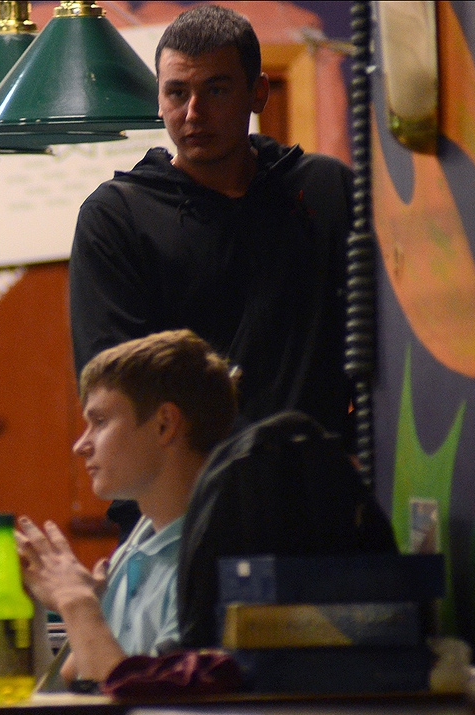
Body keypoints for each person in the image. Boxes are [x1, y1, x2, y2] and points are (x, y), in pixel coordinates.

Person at [68, 5, 354, 533]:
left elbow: (375, 347)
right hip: (179, 512)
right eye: (177, 93)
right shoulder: (118, 216)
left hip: (318, 502)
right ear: (159, 98)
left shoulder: (323, 191)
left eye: (216, 90)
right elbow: (115, 386)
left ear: (257, 93)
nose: (193, 112)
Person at [16, 329, 238, 715]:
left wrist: (78, 605)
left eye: (99, 421)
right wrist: (28, 612)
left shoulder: (213, 558)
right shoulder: (133, 548)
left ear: (164, 424)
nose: (80, 444)